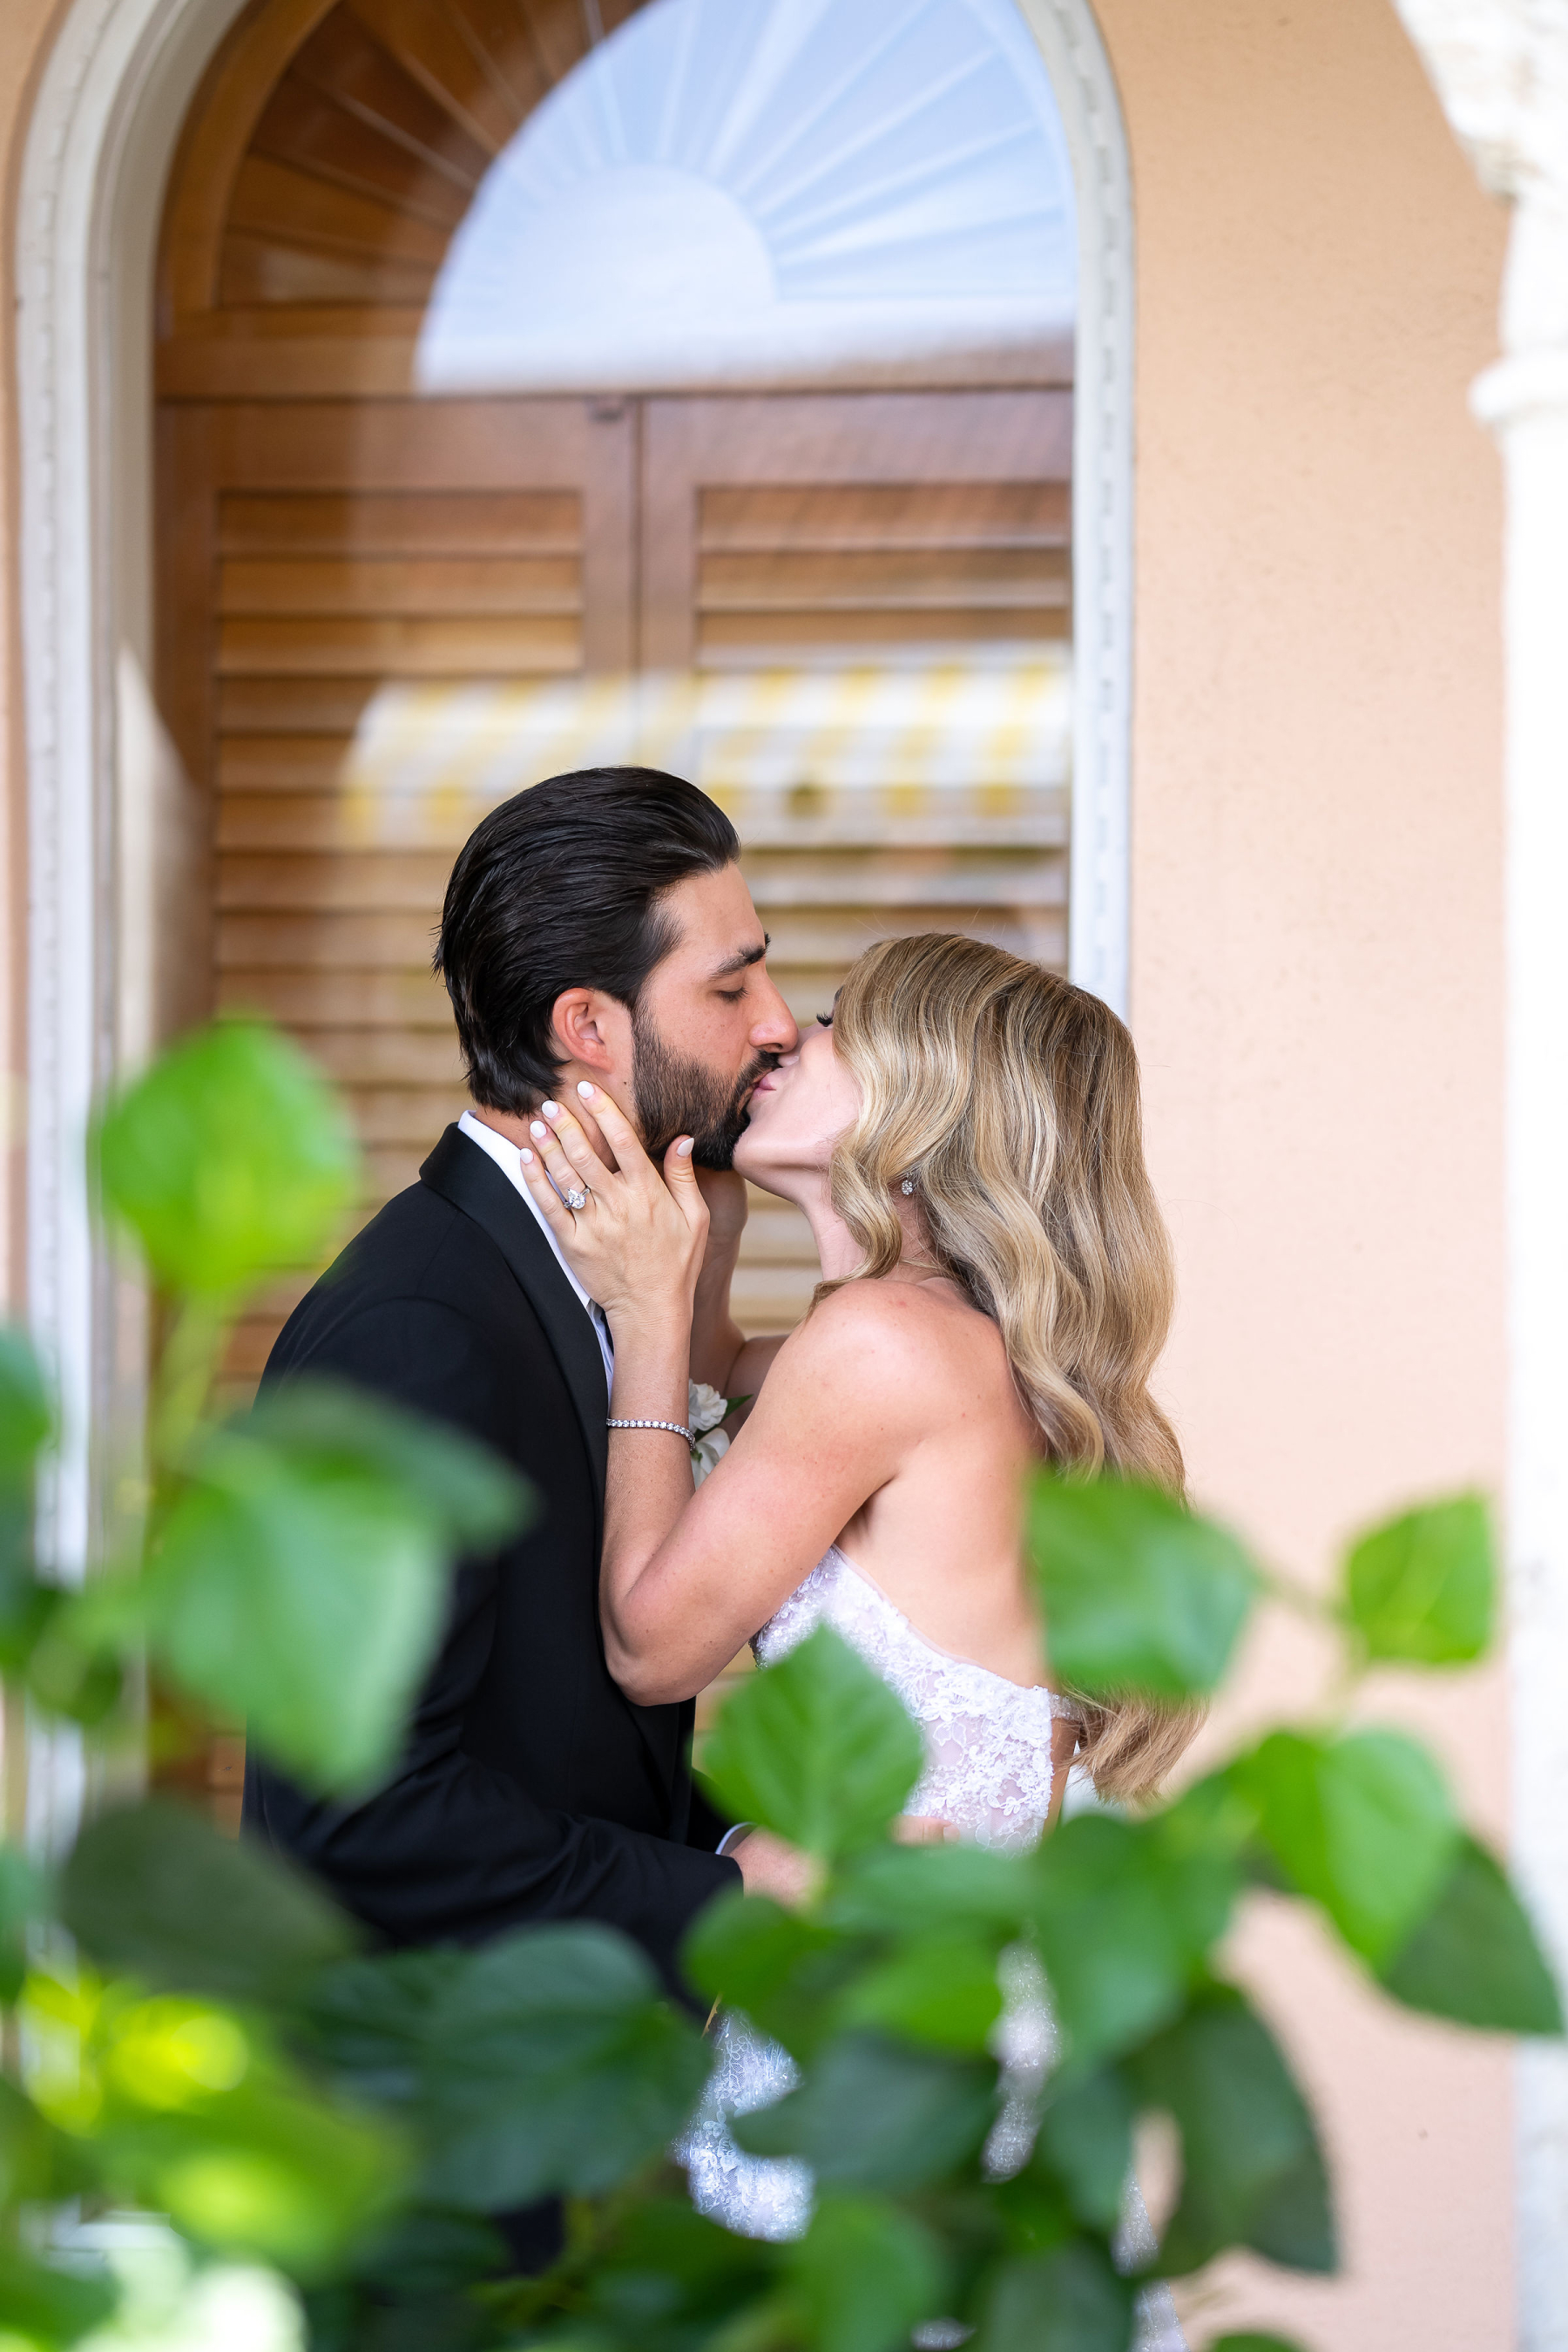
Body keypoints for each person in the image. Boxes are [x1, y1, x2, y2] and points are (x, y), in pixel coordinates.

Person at [514, 929, 1195, 2343]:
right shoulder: (949, 1342)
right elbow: (722, 1378)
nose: (781, 1038)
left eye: (832, 1025)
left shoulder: (881, 1346)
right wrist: (701, 1219)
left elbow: (652, 1646)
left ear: (920, 1106)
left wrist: (643, 1305)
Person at [241, 766, 808, 2267]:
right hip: (430, 2171)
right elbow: (359, 1808)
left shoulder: (590, 1282)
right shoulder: (417, 1324)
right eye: (733, 984)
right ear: (588, 1028)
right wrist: (719, 1893)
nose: (777, 1024)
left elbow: (556, 1733)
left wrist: (738, 1842)